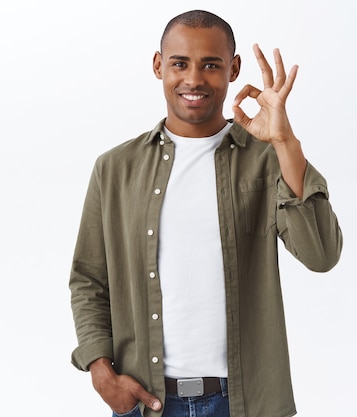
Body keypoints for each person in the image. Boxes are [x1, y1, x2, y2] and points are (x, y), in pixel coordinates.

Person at [69, 9, 342, 417]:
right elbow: (89, 279)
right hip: (146, 402)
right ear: (159, 65)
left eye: (210, 65)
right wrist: (100, 371)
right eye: (180, 63)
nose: (194, 79)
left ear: (233, 70)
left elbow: (321, 255)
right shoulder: (115, 169)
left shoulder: (269, 160)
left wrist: (285, 141)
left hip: (246, 402)